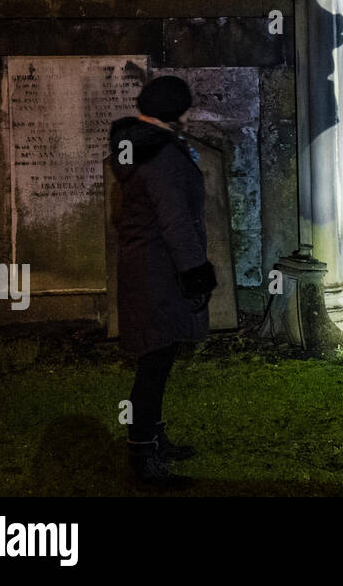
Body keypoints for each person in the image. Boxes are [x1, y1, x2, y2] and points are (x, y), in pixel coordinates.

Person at [108, 75, 216, 489]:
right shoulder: (162, 155)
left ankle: (152, 437)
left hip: (148, 267)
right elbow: (175, 222)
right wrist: (195, 276)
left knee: (159, 358)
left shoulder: (141, 145)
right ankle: (142, 454)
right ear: (176, 111)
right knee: (154, 363)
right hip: (160, 271)